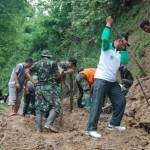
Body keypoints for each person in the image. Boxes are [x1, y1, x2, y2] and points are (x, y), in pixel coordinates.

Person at [86, 16, 130, 138]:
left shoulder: (120, 53)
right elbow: (104, 38)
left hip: (112, 82)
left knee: (121, 101)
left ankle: (114, 124)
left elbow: (125, 61)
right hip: (101, 79)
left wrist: (124, 48)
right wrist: (108, 25)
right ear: (120, 40)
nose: (124, 46)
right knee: (97, 104)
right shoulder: (106, 48)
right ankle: (90, 129)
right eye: (124, 43)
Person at [31, 50, 62, 133]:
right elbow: (58, 76)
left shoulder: (37, 63)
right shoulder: (53, 63)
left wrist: (33, 81)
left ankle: (38, 129)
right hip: (50, 88)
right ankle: (48, 124)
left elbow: (27, 71)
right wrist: (61, 73)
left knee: (39, 108)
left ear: (42, 56)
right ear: (49, 56)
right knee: (56, 105)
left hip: (39, 87)